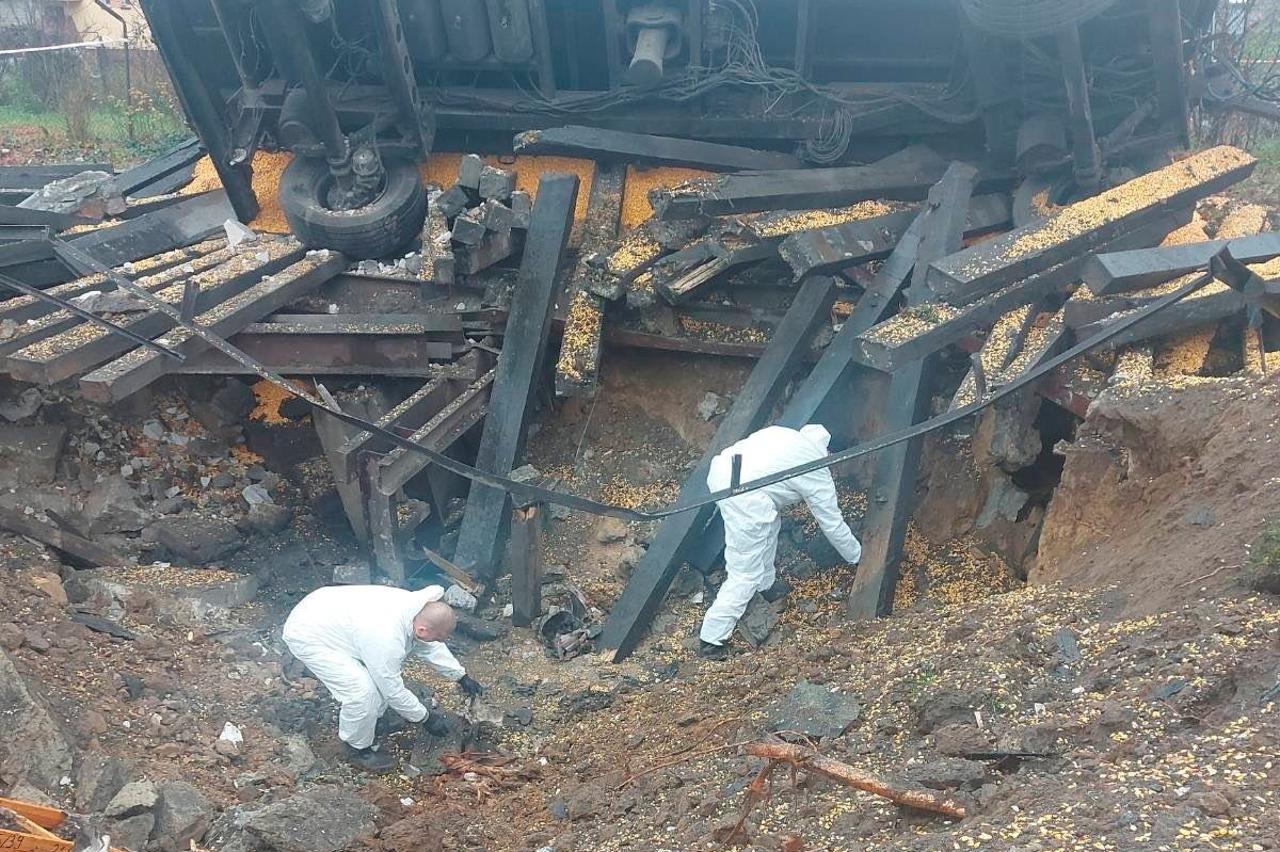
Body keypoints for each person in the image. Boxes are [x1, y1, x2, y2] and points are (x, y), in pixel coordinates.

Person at [699, 424, 862, 660]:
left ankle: (765, 586)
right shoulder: (815, 468)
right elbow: (832, 524)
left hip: (723, 473)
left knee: (770, 523)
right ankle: (711, 639)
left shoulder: (787, 434)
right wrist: (858, 557)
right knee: (745, 572)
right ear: (829, 453)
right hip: (745, 495)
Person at [282, 584, 485, 771]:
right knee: (362, 692)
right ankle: (357, 748)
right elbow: (391, 689)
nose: (441, 641)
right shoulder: (386, 638)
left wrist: (460, 675)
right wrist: (425, 717)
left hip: (331, 614)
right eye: (440, 637)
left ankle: (369, 721)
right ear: (422, 630)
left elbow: (430, 644)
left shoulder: (417, 610)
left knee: (374, 682)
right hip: (309, 632)